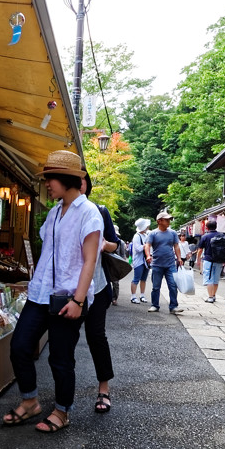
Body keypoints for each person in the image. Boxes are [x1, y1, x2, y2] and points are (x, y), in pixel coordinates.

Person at [3, 150, 102, 433]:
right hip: (40, 293)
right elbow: (49, 251)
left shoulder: (89, 212)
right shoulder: (55, 212)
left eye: (50, 179)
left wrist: (78, 300)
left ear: (66, 179)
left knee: (60, 357)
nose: (47, 184)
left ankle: (62, 411)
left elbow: (90, 260)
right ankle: (30, 401)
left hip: (68, 297)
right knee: (20, 346)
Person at [80, 172, 119, 413]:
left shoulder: (99, 210)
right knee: (64, 340)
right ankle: (62, 396)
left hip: (98, 284)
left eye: (81, 180)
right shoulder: (59, 212)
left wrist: (103, 244)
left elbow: (115, 243)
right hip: (67, 288)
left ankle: (103, 389)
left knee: (96, 337)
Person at [145, 211, 183, 314]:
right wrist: (148, 255)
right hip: (157, 264)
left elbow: (176, 246)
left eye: (169, 220)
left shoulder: (173, 233)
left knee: (173, 285)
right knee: (156, 287)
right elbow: (147, 245)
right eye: (166, 220)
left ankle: (173, 306)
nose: (169, 222)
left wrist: (179, 258)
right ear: (159, 221)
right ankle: (155, 305)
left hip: (170, 263)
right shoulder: (153, 233)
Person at [196, 219, 225, 303]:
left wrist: (198, 259)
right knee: (216, 279)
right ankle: (214, 295)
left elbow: (200, 249)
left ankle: (210, 297)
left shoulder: (205, 236)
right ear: (216, 226)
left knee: (209, 279)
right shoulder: (221, 235)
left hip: (208, 260)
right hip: (219, 260)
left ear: (207, 227)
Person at [129, 218, 151, 303]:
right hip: (138, 261)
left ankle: (142, 295)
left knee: (144, 279)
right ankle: (133, 296)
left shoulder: (145, 235)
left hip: (145, 261)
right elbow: (137, 249)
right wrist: (146, 246)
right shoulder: (136, 236)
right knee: (136, 279)